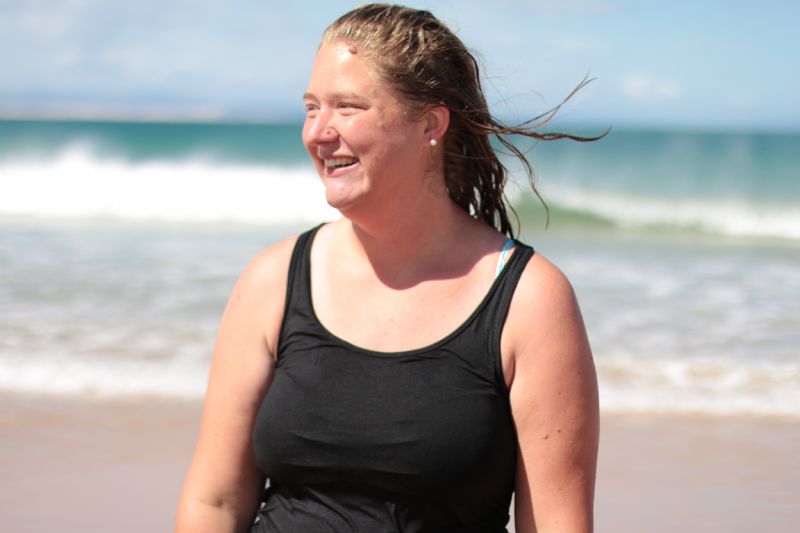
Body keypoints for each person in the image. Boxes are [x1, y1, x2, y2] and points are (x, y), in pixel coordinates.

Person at [175, 4, 600, 532]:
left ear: (430, 124)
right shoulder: (273, 280)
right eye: (311, 108)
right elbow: (214, 503)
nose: (317, 133)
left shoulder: (529, 300)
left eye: (347, 107)